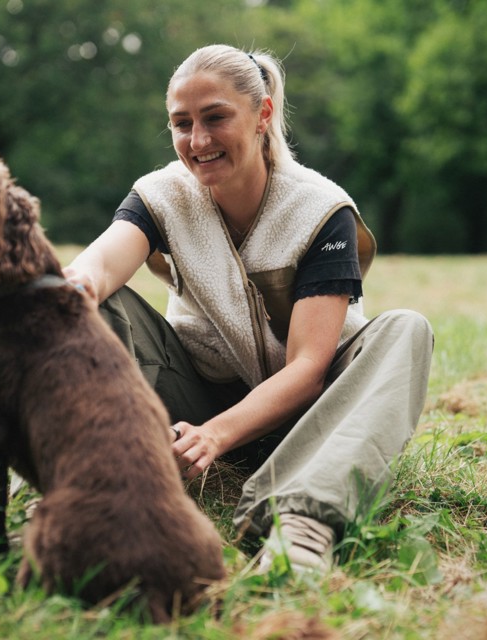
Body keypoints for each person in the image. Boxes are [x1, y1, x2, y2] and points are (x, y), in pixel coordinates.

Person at [63, 44, 433, 573]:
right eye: (181, 123)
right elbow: (99, 267)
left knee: (406, 329)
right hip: (196, 403)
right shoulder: (161, 195)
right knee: (87, 304)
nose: (198, 141)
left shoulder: (320, 209)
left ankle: (301, 525)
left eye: (215, 118)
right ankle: (81, 494)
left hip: (313, 420)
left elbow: (307, 369)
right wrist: (69, 287)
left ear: (262, 116)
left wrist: (215, 436)